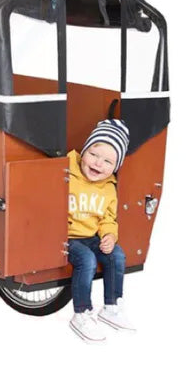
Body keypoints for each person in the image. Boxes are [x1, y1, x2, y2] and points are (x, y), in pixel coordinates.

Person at [66, 119, 135, 342]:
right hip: (67, 236)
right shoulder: (67, 173)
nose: (98, 163)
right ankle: (82, 313)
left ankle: (111, 307)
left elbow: (108, 218)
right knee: (86, 259)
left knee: (116, 254)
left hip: (90, 236)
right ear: (84, 151)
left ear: (115, 167)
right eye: (94, 154)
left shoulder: (108, 188)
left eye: (108, 161)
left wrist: (109, 235)